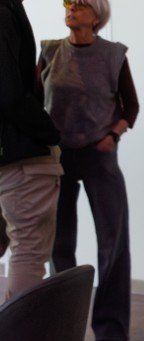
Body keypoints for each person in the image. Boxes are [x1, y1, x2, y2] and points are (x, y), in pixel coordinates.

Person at [40, 0, 138, 341]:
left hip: (100, 156)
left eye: (80, 5)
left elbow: (131, 106)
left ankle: (111, 330)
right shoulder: (50, 52)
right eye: (68, 3)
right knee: (58, 243)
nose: (71, 9)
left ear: (97, 15)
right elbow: (34, 103)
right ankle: (62, 326)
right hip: (58, 158)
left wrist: (113, 135)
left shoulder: (113, 55)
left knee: (113, 242)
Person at [0, 0, 62, 302]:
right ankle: (20, 333)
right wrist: (49, 134)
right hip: (19, 155)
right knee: (29, 249)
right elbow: (7, 93)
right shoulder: (4, 11)